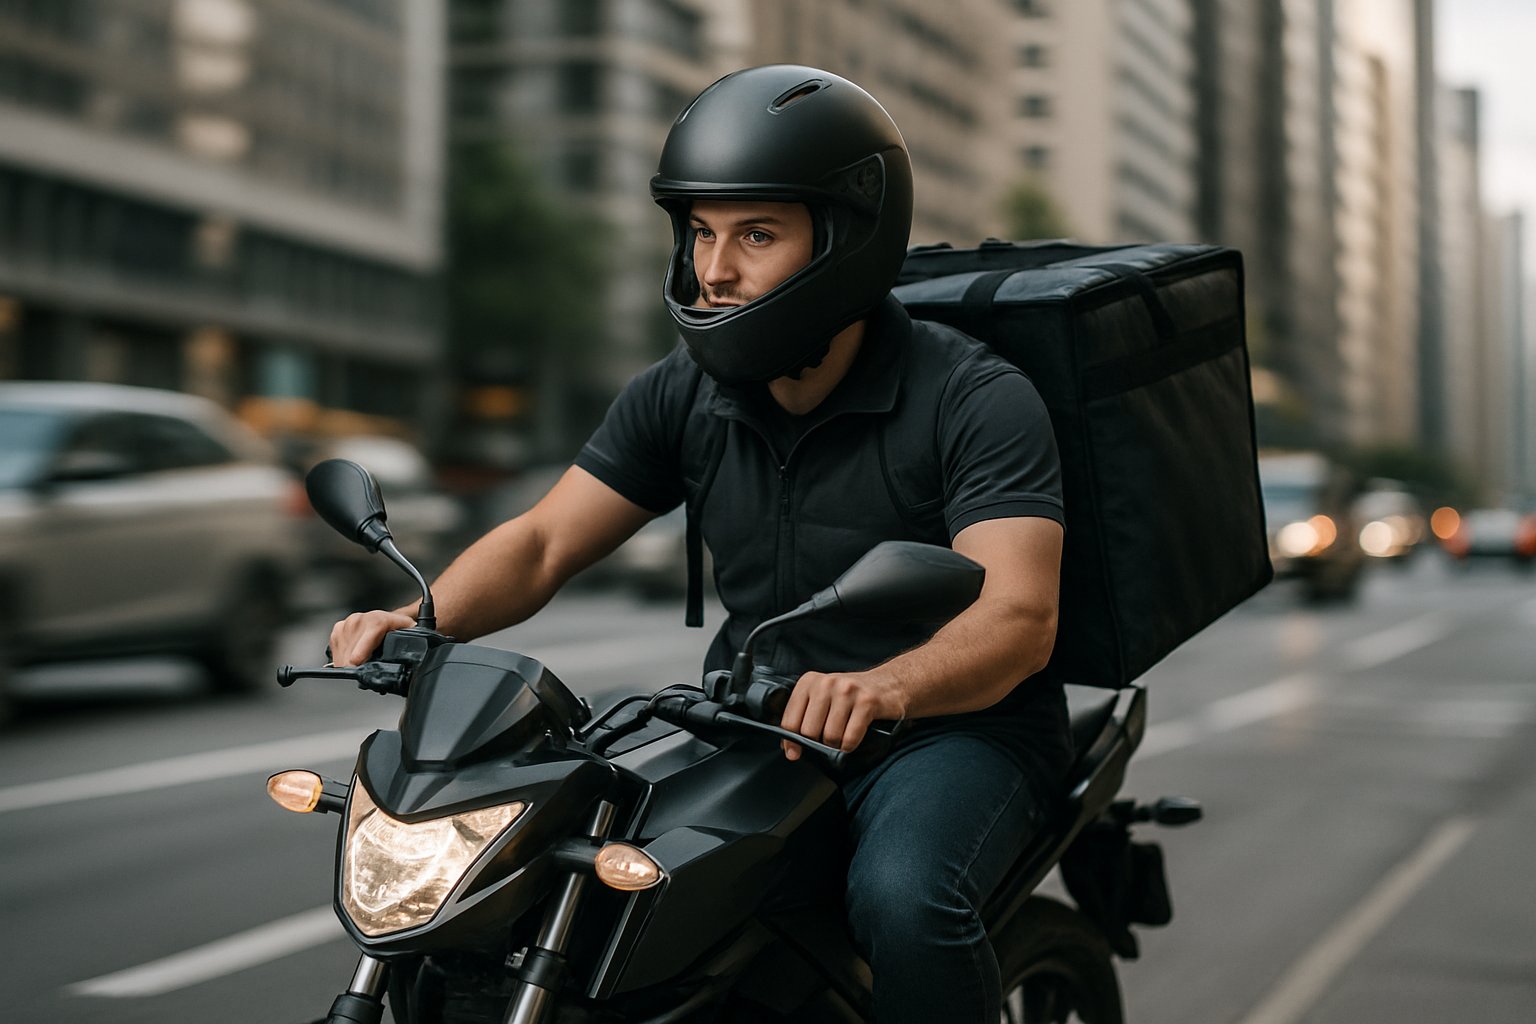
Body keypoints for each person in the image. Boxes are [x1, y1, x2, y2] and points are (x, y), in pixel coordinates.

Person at [330, 65, 1072, 1023]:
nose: (715, 270)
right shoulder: (681, 392)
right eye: (701, 233)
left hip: (952, 731)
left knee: (905, 898)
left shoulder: (973, 398)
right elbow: (547, 541)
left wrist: (885, 687)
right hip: (754, 722)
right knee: (596, 892)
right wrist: (417, 619)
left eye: (756, 235)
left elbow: (1019, 615)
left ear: (843, 241)